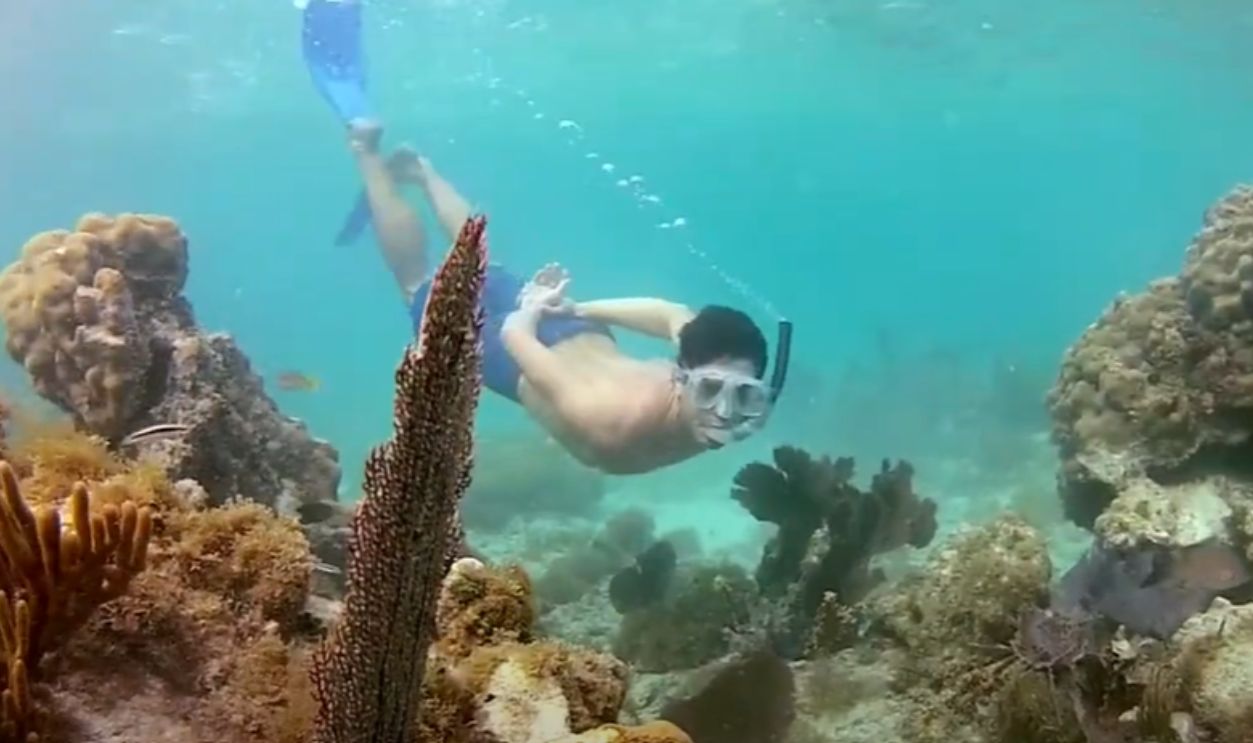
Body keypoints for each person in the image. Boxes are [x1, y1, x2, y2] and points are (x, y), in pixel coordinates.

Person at [300, 0, 793, 475]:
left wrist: (580, 310)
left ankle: (422, 171)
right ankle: (367, 149)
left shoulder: (717, 365)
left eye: (745, 396)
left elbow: (669, 314)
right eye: (711, 391)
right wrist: (536, 310)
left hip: (574, 332)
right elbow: (515, 337)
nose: (726, 413)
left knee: (480, 260)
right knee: (417, 283)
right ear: (681, 375)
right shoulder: (609, 428)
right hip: (513, 347)